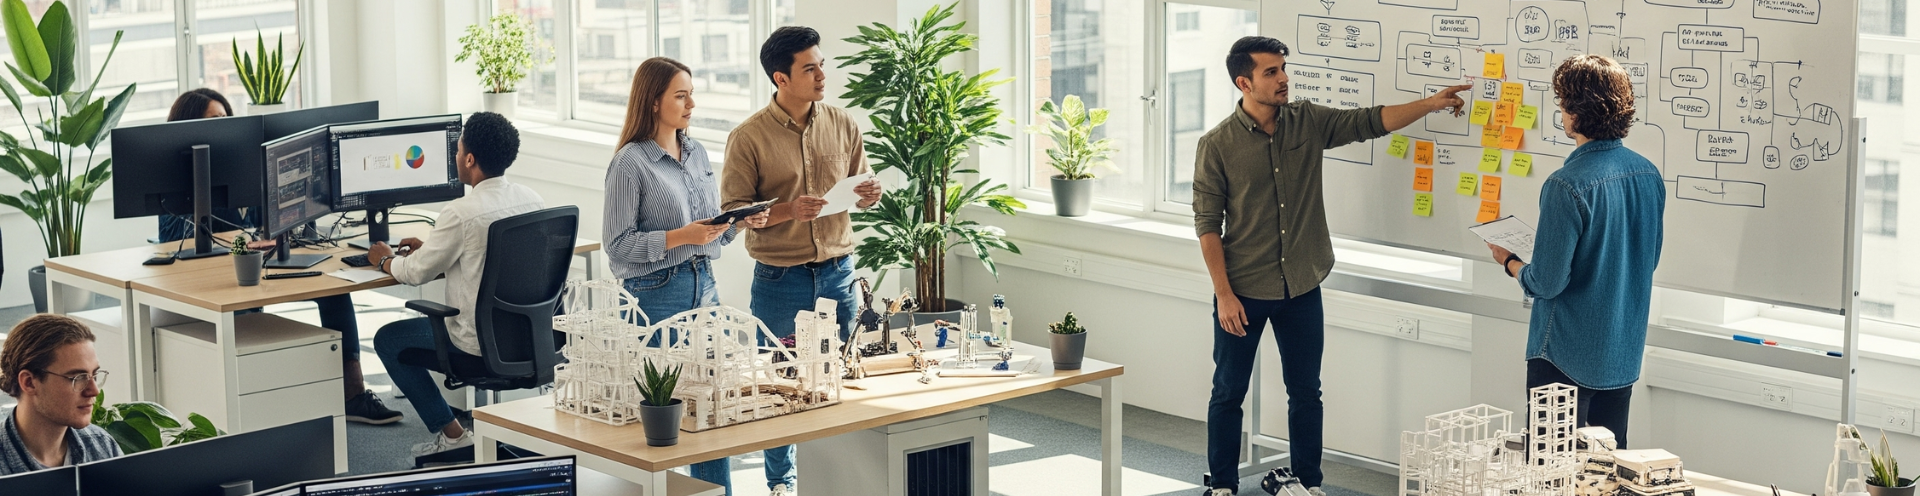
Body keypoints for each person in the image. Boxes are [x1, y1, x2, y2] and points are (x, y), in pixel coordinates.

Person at [1192, 36, 1469, 496]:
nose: (1283, 79)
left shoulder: (1307, 121)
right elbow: (1207, 225)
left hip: (1302, 285)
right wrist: (1223, 293)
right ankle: (1222, 485)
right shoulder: (1217, 145)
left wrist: (1432, 103)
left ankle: (1308, 483)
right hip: (1241, 291)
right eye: (1271, 72)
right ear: (1244, 82)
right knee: (1228, 392)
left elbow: (1370, 122)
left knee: (1306, 393)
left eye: (1283, 68)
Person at [159, 89, 401, 426]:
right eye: (213, 122)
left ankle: (353, 393)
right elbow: (172, 240)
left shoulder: (249, 169)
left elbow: (279, 220)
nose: (224, 128)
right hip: (210, 279)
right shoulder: (179, 182)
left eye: (228, 120)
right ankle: (252, 402)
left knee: (334, 287)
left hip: (255, 266)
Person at [718, 26, 882, 496]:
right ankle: (781, 484)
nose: (821, 74)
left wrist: (870, 192)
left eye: (821, 64)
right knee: (779, 384)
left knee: (847, 374)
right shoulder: (748, 137)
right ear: (781, 78)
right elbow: (734, 213)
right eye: (809, 68)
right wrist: (789, 209)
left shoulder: (843, 123)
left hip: (838, 271)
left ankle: (848, 478)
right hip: (779, 278)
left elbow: (860, 183)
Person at [603, 56, 768, 495]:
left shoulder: (697, 153)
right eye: (681, 95)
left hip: (704, 286)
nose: (691, 103)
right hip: (654, 295)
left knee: (712, 412)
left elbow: (707, 235)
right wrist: (678, 236)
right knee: (662, 422)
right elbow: (617, 248)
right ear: (653, 102)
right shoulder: (630, 163)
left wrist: (736, 223)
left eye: (691, 93)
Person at [1485, 54, 1663, 446]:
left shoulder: (1565, 185)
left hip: (1564, 354)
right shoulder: (1648, 175)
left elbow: (1546, 283)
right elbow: (1647, 260)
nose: (1562, 113)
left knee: (1551, 473)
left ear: (1578, 114)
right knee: (1606, 473)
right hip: (1620, 351)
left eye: (1564, 105)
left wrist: (1510, 262)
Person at [367, 112, 545, 457]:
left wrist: (385, 259)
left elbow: (415, 274)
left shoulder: (462, 212)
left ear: (469, 159)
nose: (455, 156)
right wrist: (434, 249)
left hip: (475, 344)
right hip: (523, 336)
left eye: (458, 149)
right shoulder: (530, 199)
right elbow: (489, 262)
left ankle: (452, 434)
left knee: (387, 340)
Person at [0, 314, 122, 474]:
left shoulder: (101, 447)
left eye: (95, 375)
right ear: (29, 382)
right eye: (78, 378)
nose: (94, 391)